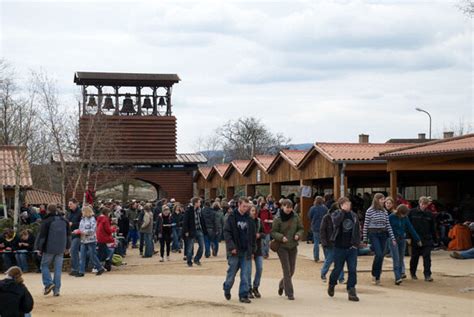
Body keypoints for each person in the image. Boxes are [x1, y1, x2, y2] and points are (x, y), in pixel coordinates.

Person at [223, 197, 256, 303]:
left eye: (247, 207)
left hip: (246, 250)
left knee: (245, 274)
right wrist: (231, 247)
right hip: (235, 251)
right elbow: (227, 233)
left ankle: (243, 295)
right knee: (231, 273)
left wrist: (252, 250)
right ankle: (227, 287)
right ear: (239, 205)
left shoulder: (250, 219)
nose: (245, 208)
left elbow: (253, 236)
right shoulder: (231, 217)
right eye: (244, 206)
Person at [327, 197, 361, 302]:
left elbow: (357, 229)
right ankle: (332, 283)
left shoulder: (354, 215)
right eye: (346, 204)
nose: (348, 206)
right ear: (341, 205)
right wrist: (342, 212)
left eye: (349, 204)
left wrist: (357, 243)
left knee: (352, 269)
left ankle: (351, 290)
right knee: (338, 269)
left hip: (351, 247)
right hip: (339, 247)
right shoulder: (336, 214)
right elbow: (336, 223)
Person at [271, 199, 304, 300]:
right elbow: (273, 232)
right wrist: (281, 237)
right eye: (287, 207)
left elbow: (301, 228)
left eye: (290, 207)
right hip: (282, 247)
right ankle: (290, 293)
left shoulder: (296, 217)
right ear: (282, 207)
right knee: (287, 270)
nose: (289, 209)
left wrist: (298, 235)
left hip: (293, 246)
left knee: (292, 270)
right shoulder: (277, 218)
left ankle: (282, 284)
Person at [35, 204, 71, 296]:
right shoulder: (64, 220)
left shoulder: (46, 221)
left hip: (49, 247)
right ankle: (57, 290)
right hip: (61, 248)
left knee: (44, 265)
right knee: (58, 269)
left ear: (48, 210)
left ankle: (48, 283)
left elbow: (42, 236)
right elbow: (68, 235)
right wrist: (67, 247)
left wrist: (39, 248)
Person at [363, 193, 396, 285]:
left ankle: (377, 276)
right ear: (377, 200)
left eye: (383, 199)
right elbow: (365, 225)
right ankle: (375, 273)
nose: (383, 201)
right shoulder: (369, 211)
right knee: (378, 253)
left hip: (383, 234)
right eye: (381, 199)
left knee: (381, 255)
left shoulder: (384, 211)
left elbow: (388, 225)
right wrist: (365, 238)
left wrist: (392, 238)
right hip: (373, 234)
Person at [389, 204, 421, 284]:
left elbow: (411, 228)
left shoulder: (405, 218)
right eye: (402, 214)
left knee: (400, 258)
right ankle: (397, 277)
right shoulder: (391, 217)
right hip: (393, 239)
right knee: (396, 258)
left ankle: (399, 274)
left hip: (402, 239)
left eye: (405, 214)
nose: (403, 216)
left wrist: (417, 239)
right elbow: (387, 228)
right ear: (399, 212)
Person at [409, 196, 437, 282]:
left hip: (427, 239)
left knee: (427, 257)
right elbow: (408, 226)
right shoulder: (411, 212)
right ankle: (413, 273)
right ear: (419, 203)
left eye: (425, 204)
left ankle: (427, 275)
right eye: (422, 204)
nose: (424, 206)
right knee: (415, 257)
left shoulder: (430, 214)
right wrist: (408, 237)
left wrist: (435, 240)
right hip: (415, 239)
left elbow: (433, 228)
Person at [77, 205, 105, 277]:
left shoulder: (92, 219)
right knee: (82, 256)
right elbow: (80, 228)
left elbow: (93, 230)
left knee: (92, 255)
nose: (82, 212)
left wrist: (84, 232)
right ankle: (81, 271)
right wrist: (78, 231)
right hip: (83, 240)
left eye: (83, 211)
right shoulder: (82, 219)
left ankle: (99, 267)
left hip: (91, 240)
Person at [320, 203, 344, 283]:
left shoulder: (341, 217)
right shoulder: (326, 218)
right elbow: (322, 230)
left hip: (339, 242)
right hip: (330, 242)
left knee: (339, 260)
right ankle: (323, 273)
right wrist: (324, 242)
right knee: (329, 259)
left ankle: (341, 278)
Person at [183, 197, 207, 267]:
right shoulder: (188, 210)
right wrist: (186, 231)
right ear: (195, 203)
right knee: (190, 247)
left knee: (202, 246)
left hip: (199, 230)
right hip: (191, 230)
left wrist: (205, 230)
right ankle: (189, 261)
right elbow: (185, 221)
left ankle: (196, 259)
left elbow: (202, 221)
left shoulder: (200, 210)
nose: (200, 203)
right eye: (199, 202)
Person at [247, 205, 264, 299]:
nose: (254, 212)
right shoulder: (246, 221)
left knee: (260, 268)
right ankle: (248, 289)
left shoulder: (259, 221)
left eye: (255, 210)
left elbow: (264, 233)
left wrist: (260, 235)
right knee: (248, 270)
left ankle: (255, 287)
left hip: (258, 248)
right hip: (249, 249)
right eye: (252, 210)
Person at [308, 196, 328, 262]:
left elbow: (309, 216)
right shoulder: (325, 208)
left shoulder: (312, 208)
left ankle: (316, 258)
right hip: (324, 227)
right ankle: (327, 257)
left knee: (316, 242)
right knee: (324, 242)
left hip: (315, 226)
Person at [66, 198, 82, 277]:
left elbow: (82, 224)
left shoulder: (80, 212)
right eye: (69, 204)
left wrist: (73, 224)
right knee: (73, 252)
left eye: (71, 204)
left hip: (77, 235)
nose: (69, 206)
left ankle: (76, 269)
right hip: (70, 234)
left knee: (73, 251)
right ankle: (74, 268)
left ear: (76, 204)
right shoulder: (69, 213)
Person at [96, 207, 116, 271]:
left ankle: (102, 264)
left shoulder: (99, 218)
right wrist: (113, 229)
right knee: (106, 251)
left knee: (102, 251)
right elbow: (108, 230)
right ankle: (99, 266)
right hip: (104, 237)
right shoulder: (105, 219)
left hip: (99, 236)